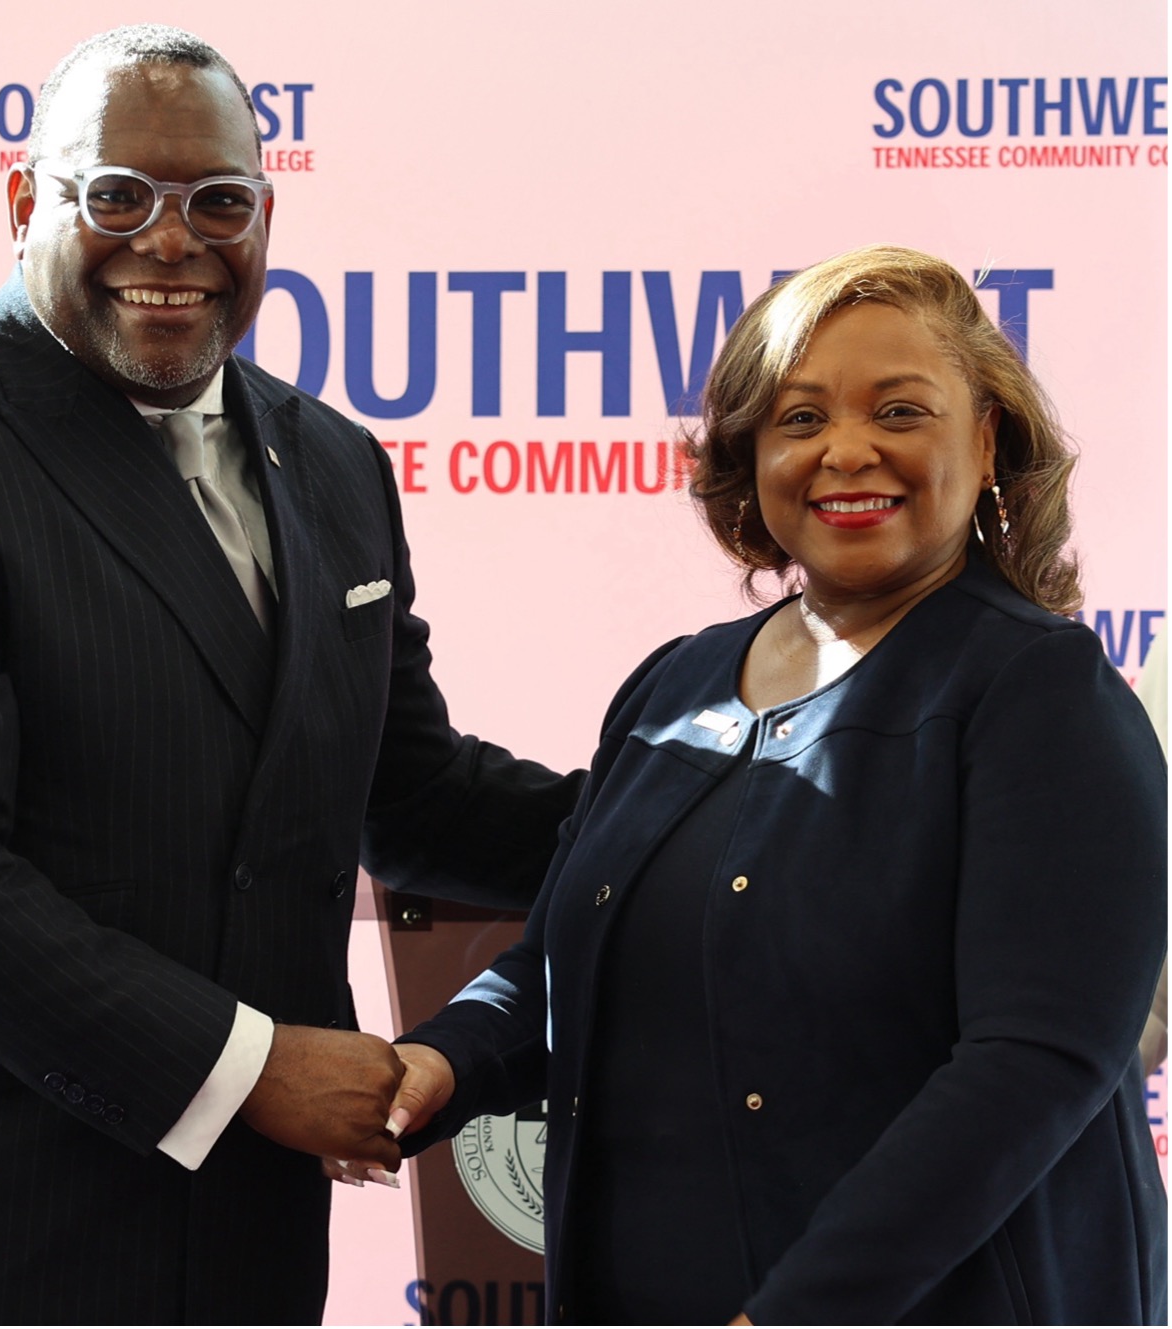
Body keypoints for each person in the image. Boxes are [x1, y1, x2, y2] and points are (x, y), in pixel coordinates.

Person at [0, 25, 578, 1326]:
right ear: (22, 203)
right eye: (115, 195)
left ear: (264, 217)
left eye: (218, 202)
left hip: (245, 1237)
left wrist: (691, 823)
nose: (171, 244)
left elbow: (408, 791)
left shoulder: (330, 461)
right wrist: (254, 1069)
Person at [386, 246, 1168, 1325]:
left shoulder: (1043, 695)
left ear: (987, 440)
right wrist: (445, 1060)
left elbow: (1034, 1066)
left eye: (899, 411)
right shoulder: (677, 680)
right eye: (800, 420)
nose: (847, 451)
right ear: (750, 456)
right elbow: (568, 965)